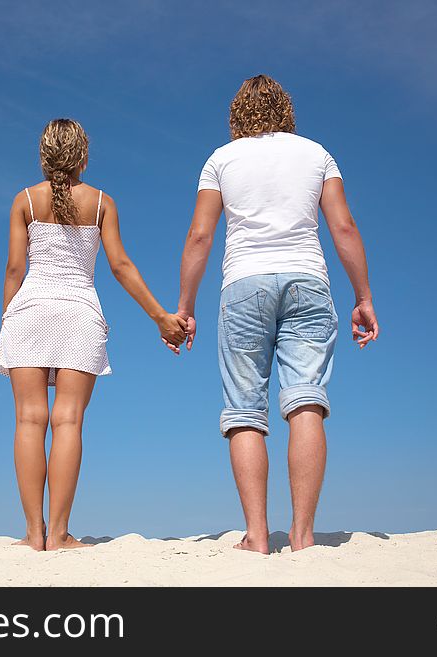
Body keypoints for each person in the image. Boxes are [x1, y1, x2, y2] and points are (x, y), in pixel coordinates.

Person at [172, 75, 379, 553]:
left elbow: (200, 236)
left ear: (237, 113)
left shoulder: (220, 160)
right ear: (286, 109)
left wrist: (185, 306)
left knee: (245, 410)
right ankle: (303, 536)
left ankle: (258, 536)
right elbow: (343, 226)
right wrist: (362, 295)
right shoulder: (317, 154)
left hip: (244, 284)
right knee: (306, 400)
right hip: (308, 280)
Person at [0, 118, 187, 551]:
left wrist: (8, 319)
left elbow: (13, 269)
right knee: (68, 421)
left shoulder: (24, 200)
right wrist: (159, 316)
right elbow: (120, 267)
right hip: (79, 314)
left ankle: (33, 534)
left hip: (29, 311)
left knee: (28, 420)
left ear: (44, 155)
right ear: (83, 156)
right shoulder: (103, 203)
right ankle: (60, 534)